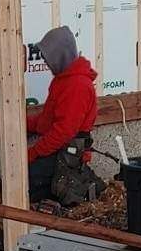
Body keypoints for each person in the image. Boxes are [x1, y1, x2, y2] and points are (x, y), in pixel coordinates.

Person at [26, 26, 98, 202]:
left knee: (26, 182)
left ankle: (80, 187)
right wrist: (22, 124)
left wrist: (33, 153)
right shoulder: (64, 80)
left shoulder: (77, 85)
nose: (47, 63)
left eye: (49, 58)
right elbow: (48, 120)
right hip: (59, 149)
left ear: (60, 55)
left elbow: (63, 132)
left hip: (68, 154)